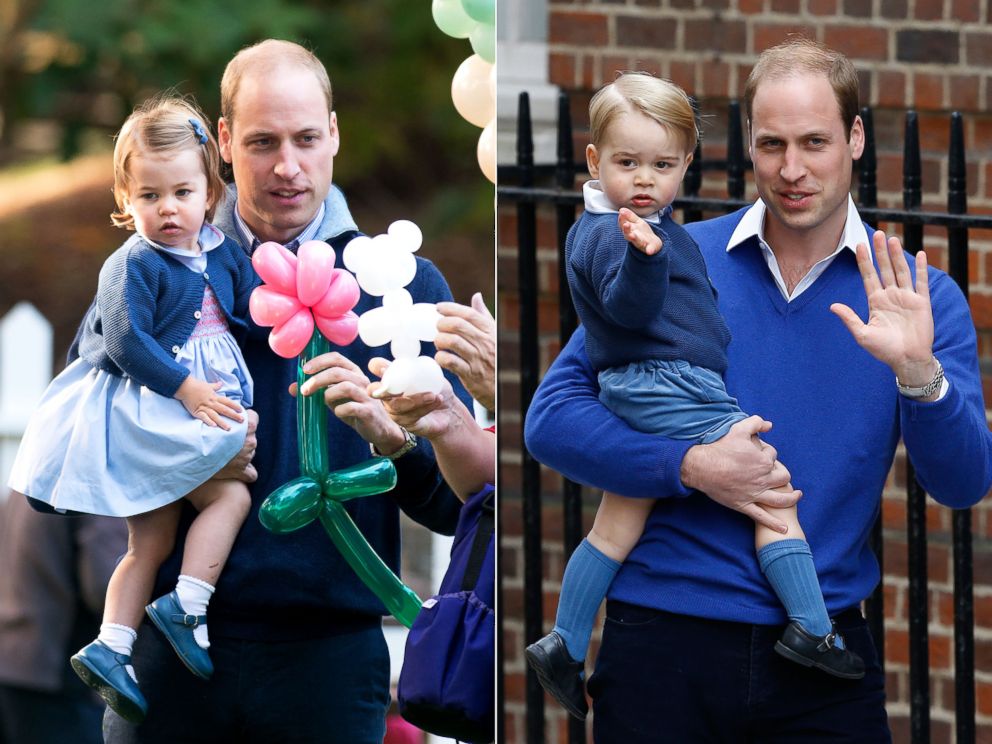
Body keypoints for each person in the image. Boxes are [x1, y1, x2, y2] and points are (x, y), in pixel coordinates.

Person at [524, 38, 992, 742]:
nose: (792, 169)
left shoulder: (918, 300)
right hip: (662, 647)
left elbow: (961, 483)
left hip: (822, 667)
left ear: (856, 138)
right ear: (748, 143)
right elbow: (552, 421)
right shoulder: (674, 254)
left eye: (815, 142)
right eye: (772, 144)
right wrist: (688, 468)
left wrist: (919, 374)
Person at [101, 40, 469, 744]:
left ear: (334, 132)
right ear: (224, 140)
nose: (287, 166)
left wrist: (396, 444)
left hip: (328, 658)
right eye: (264, 142)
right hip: (170, 639)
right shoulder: (160, 269)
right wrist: (178, 452)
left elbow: (455, 507)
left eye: (305, 138)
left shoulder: (401, 288)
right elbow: (90, 442)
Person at [524, 70, 863, 721]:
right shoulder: (613, 233)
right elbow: (625, 308)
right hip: (671, 385)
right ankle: (812, 628)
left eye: (662, 164)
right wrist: (647, 259)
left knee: (617, 522)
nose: (645, 179)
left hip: (651, 386)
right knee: (770, 488)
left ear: (686, 164)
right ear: (596, 162)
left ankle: (563, 643)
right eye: (628, 163)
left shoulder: (653, 227)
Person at [7, 95, 256, 724]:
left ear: (210, 189)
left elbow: (251, 304)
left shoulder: (222, 250)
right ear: (126, 199)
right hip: (158, 407)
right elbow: (121, 339)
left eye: (181, 191)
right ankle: (186, 605)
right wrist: (186, 389)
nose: (167, 208)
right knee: (228, 498)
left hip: (192, 403)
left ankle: (113, 644)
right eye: (149, 196)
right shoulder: (133, 263)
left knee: (151, 537)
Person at [0, 493, 128, 744]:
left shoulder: (30, 474)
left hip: (14, 659)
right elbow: (105, 585)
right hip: (56, 671)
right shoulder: (89, 484)